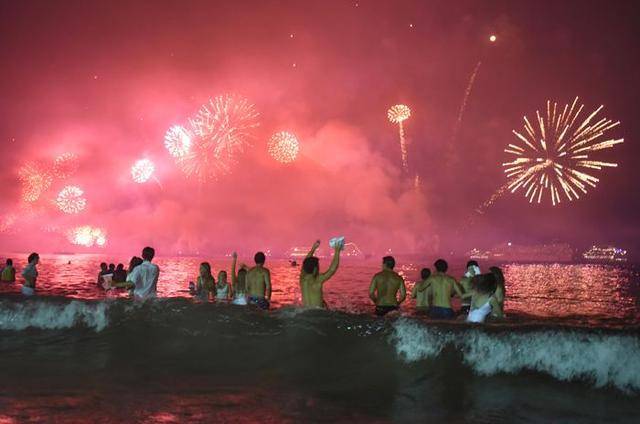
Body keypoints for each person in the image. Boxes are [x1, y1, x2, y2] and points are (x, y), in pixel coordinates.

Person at [300, 239, 341, 308]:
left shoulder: (302, 279)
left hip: (304, 312)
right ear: (315, 269)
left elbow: (305, 263)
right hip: (317, 314)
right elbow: (332, 270)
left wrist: (313, 249)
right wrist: (337, 252)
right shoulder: (317, 280)